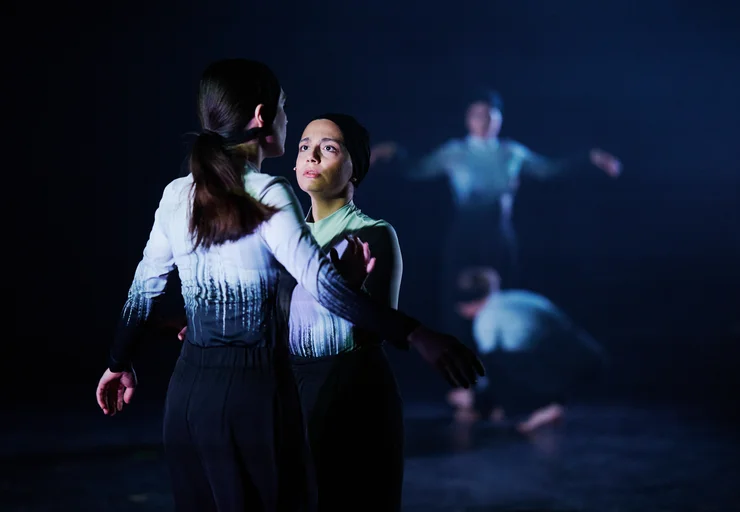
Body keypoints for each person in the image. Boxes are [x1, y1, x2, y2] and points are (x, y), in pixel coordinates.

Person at [94, 59, 485, 512]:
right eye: (285, 112)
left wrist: (117, 361)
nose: (298, 136)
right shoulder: (268, 191)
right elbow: (323, 289)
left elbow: (142, 293)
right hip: (250, 393)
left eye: (329, 148)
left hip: (186, 397)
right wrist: (418, 334)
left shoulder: (177, 192)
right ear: (262, 117)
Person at [370, 89, 622, 346]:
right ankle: (459, 369)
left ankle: (498, 362)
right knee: (456, 298)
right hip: (465, 233)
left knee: (504, 295)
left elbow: (548, 170)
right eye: (478, 115)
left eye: (490, 116)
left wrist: (589, 157)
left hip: (498, 234)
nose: (484, 122)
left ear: (499, 119)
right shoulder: (454, 152)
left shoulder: (512, 152)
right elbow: (417, 169)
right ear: (468, 119)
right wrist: (394, 153)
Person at [281, 113, 406, 511]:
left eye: (328, 148)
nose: (311, 155)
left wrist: (345, 289)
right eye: (304, 147)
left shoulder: (373, 233)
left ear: (356, 168)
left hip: (352, 389)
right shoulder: (280, 239)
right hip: (290, 387)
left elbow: (379, 326)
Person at [447, 266, 607, 434]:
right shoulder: (516, 298)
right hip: (589, 359)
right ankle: (549, 406)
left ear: (467, 305)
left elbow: (489, 366)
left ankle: (538, 408)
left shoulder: (486, 317)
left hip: (562, 365)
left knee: (496, 364)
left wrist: (475, 398)